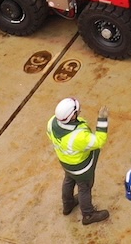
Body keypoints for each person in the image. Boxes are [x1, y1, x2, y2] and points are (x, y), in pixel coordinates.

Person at [48, 96, 111, 225]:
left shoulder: (51, 123)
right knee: (84, 188)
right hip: (81, 167)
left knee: (68, 180)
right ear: (71, 116)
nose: (79, 111)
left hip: (66, 162)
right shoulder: (79, 137)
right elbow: (99, 141)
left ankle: (68, 204)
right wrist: (102, 120)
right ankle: (88, 215)